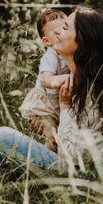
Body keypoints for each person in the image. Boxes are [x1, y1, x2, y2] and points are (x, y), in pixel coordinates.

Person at [0, 6, 103, 180]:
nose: (58, 33)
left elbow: (72, 155)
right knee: (2, 151)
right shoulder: (86, 79)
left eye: (65, 28)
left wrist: (65, 108)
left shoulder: (93, 88)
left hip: (89, 180)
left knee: (0, 136)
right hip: (86, 173)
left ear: (83, 40)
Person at [19, 9, 70, 151]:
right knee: (53, 138)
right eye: (58, 32)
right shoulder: (50, 56)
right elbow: (48, 81)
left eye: (67, 28)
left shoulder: (72, 51)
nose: (64, 34)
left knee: (62, 137)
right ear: (47, 41)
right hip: (44, 106)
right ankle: (43, 166)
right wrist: (70, 78)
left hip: (57, 104)